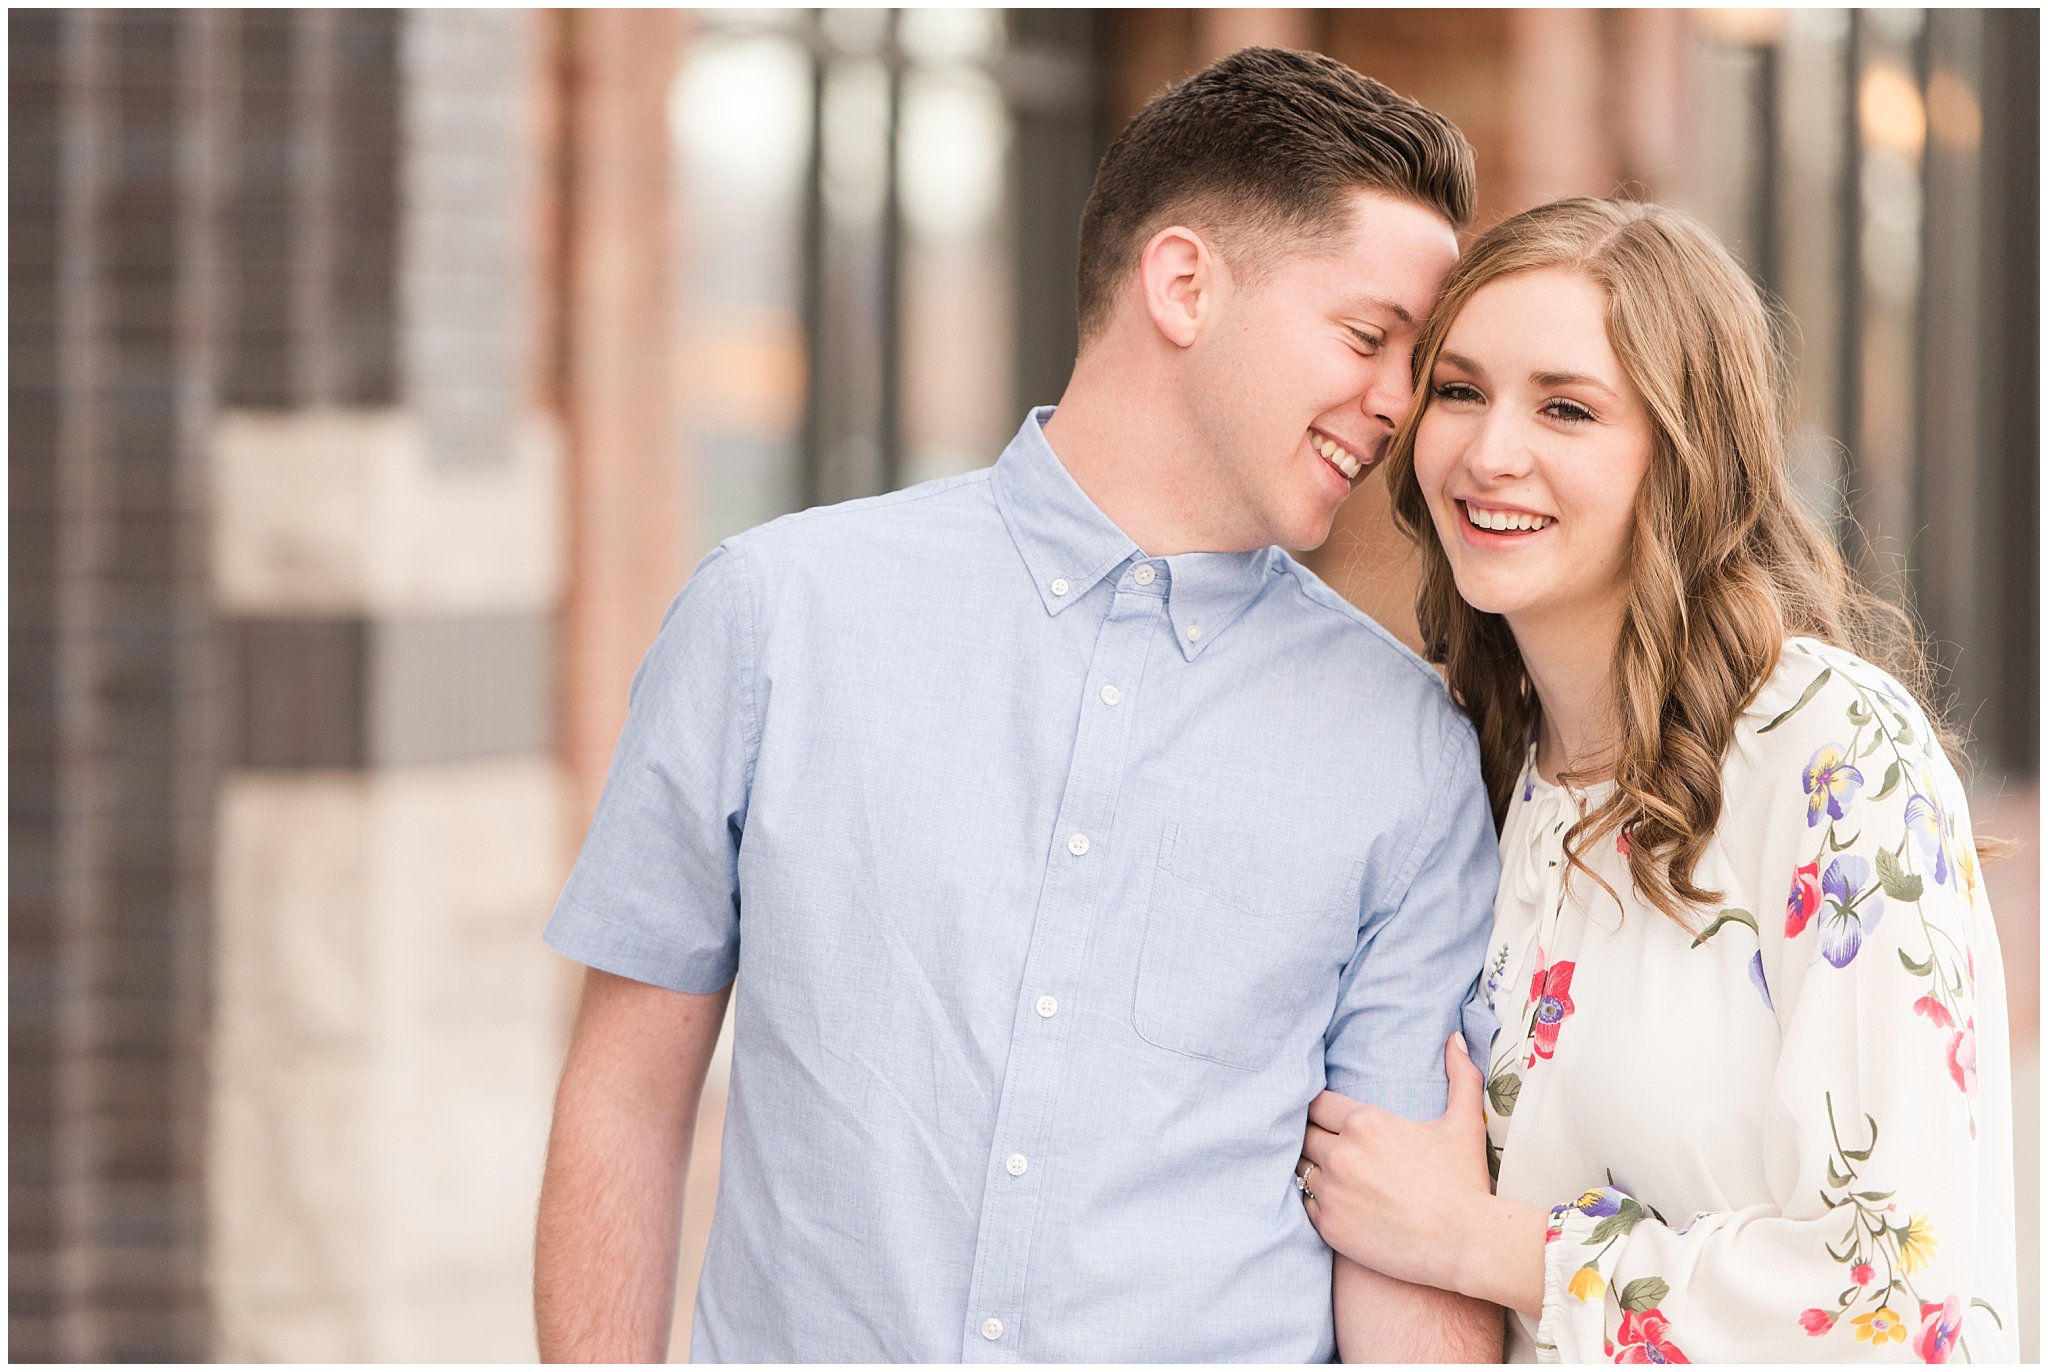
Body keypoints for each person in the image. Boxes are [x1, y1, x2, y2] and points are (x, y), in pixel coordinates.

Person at [534, 47, 1506, 1363]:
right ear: (1183, 284)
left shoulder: (1406, 750)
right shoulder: (778, 616)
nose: (1398, 408)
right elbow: (624, 1104)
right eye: (1367, 337)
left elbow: (1401, 1246)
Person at [1293, 197, 2018, 1362]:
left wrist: (1467, 1240)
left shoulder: (1829, 753)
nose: (1488, 452)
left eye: (1566, 407)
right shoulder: (1484, 775)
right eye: (1461, 390)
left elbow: (1897, 1296)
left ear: (1683, 452)